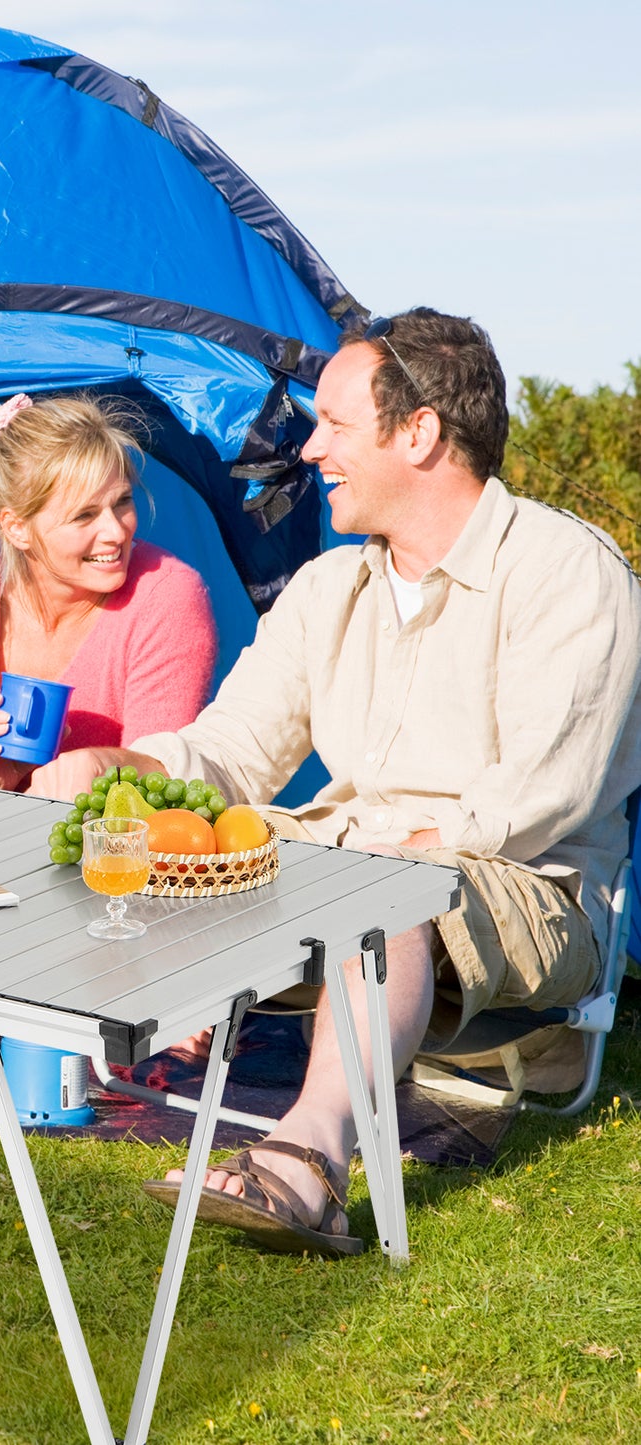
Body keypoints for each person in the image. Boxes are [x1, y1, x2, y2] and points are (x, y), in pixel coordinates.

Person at [39, 307, 641, 1255]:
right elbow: (231, 750)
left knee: (378, 894)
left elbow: (538, 796)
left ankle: (309, 1158)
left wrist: (365, 863)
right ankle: (17, 1048)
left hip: (527, 887)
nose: (310, 448)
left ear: (419, 432)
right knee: (128, 834)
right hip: (350, 859)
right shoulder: (327, 588)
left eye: (332, 423)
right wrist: (125, 769)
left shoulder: (566, 571)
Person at [0, 392, 217, 792]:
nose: (116, 532)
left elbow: (158, 788)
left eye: (122, 502)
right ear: (16, 528)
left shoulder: (167, 596)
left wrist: (79, 774)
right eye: (84, 515)